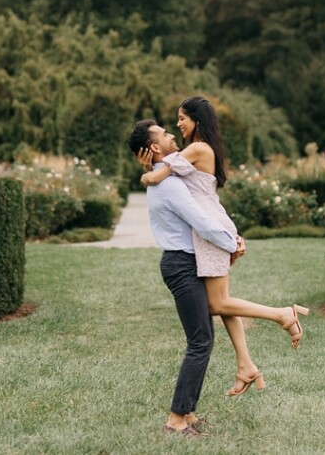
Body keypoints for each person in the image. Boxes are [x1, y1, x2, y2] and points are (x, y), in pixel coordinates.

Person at [136, 96, 308, 398]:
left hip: (210, 231)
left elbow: (158, 175)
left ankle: (282, 314)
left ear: (197, 120)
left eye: (182, 118)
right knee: (221, 301)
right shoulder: (199, 149)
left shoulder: (197, 149)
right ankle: (246, 366)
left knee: (217, 304)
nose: (177, 125)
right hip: (211, 228)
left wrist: (145, 173)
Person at [126, 119, 244, 438]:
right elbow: (200, 221)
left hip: (184, 262)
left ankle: (188, 413)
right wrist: (232, 242)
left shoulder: (167, 177)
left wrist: (149, 170)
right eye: (164, 134)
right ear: (154, 147)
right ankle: (176, 420)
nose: (171, 135)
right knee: (199, 341)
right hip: (181, 264)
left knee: (203, 338)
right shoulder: (169, 185)